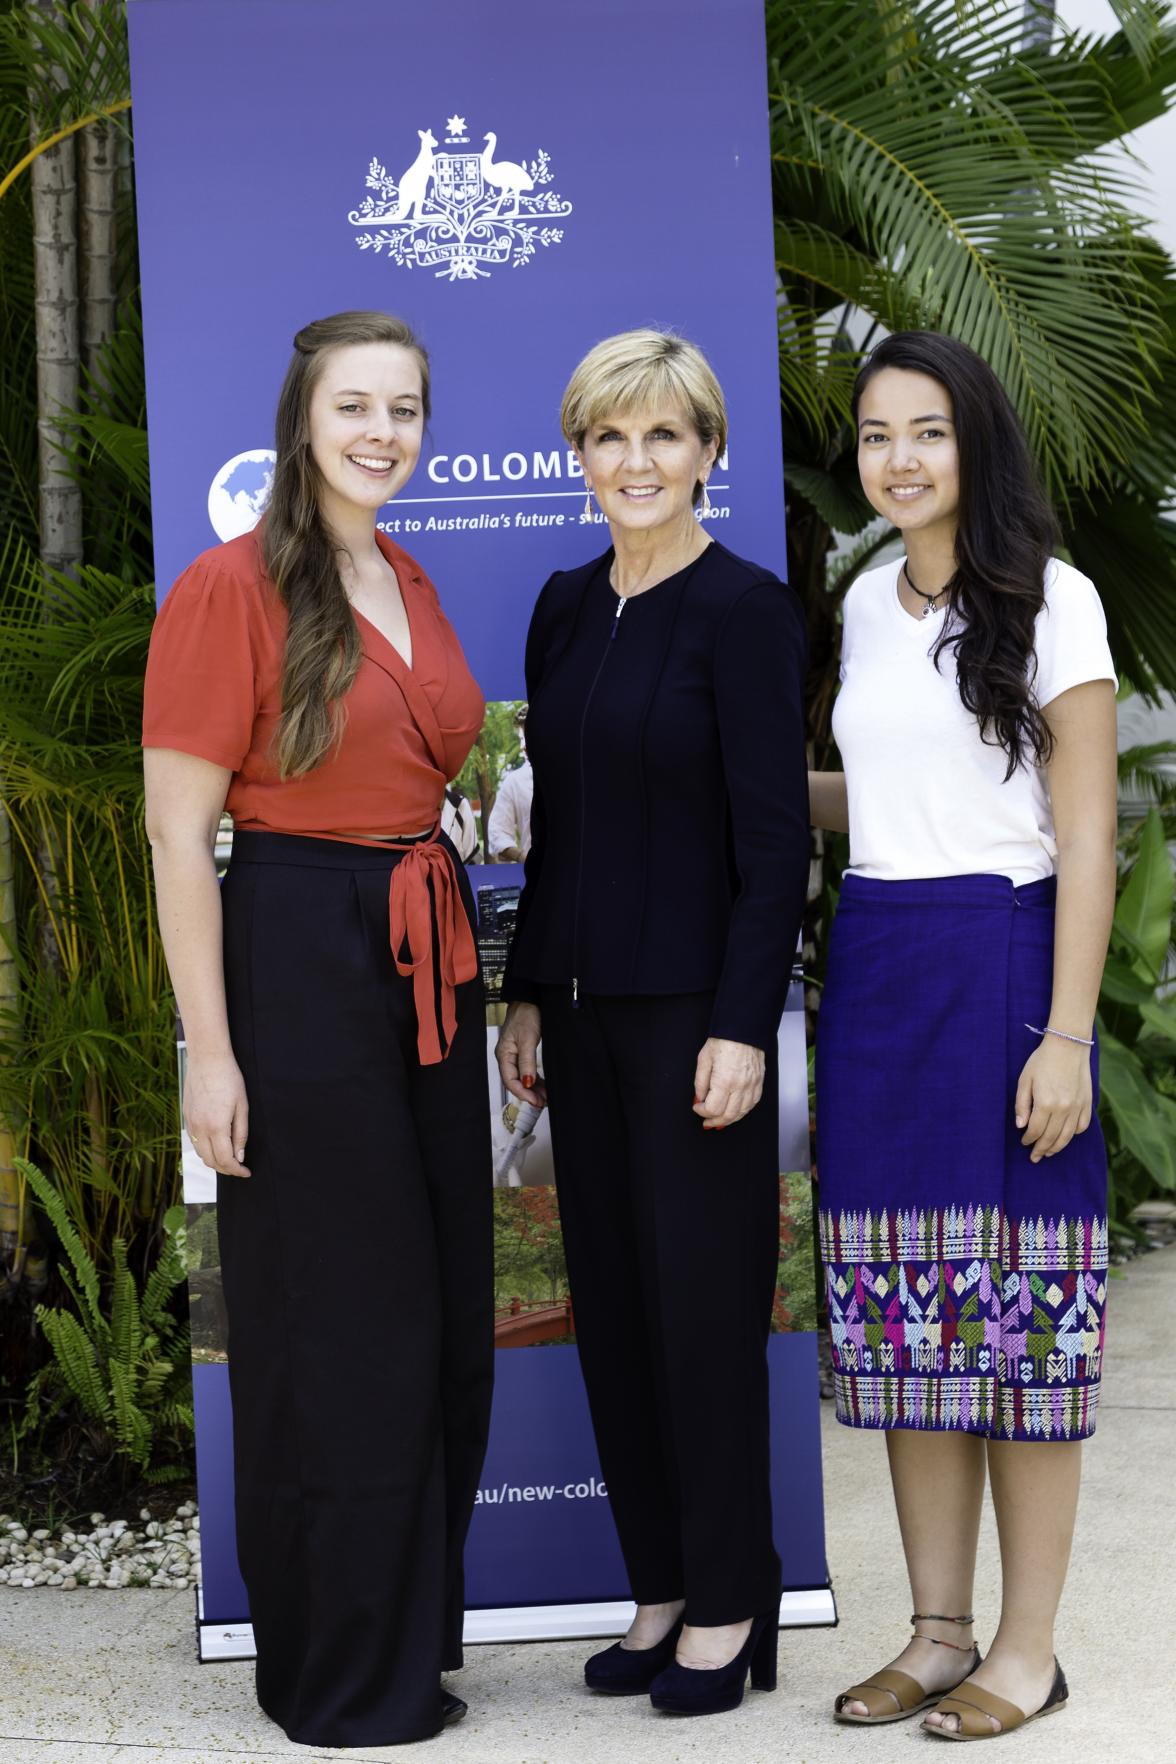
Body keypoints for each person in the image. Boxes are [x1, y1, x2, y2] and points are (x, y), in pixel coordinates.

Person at [143, 311, 493, 1749]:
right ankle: (339, 1673)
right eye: (356, 405)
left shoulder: (403, 569)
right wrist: (211, 1052)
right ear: (303, 416)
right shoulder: (232, 587)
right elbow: (177, 836)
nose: (383, 432)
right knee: (335, 1324)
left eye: (405, 408)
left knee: (439, 1320)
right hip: (296, 953)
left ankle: (407, 1640)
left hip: (425, 955)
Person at [495, 329, 809, 1718]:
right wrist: (521, 992)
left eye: (664, 437)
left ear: (708, 454)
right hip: (575, 1013)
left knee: (701, 1318)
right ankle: (664, 1590)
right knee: (614, 1319)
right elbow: (554, 826)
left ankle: (734, 1606)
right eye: (610, 438)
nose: (636, 462)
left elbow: (774, 839)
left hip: (697, 1021)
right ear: (581, 454)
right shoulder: (564, 606)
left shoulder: (747, 612)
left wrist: (744, 1024)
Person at [810, 331, 1116, 1741]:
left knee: (1022, 1332)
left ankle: (1027, 1650)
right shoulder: (867, 604)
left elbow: (1090, 832)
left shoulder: (1054, 601)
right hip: (879, 969)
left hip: (1005, 965)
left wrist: (1066, 1034)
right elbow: (878, 795)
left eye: (926, 431)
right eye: (877, 435)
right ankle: (935, 1635)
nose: (900, 459)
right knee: (907, 1319)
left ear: (975, 441)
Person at [487, 705, 533, 862]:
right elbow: (497, 831)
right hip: (538, 876)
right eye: (521, 739)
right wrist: (522, 857)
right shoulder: (515, 782)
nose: (522, 747)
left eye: (527, 738)